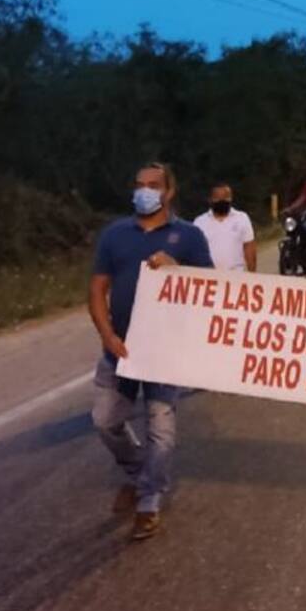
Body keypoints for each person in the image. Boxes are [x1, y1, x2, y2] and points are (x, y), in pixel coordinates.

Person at [89, 163, 213, 541]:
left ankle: (148, 501)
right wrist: (107, 335)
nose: (145, 191)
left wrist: (177, 270)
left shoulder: (189, 236)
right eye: (139, 184)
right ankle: (141, 472)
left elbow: (212, 290)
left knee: (161, 432)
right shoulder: (115, 235)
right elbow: (97, 290)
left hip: (164, 352)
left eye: (154, 185)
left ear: (169, 192)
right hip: (120, 350)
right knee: (105, 420)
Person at [194, 183, 257, 272]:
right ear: (210, 199)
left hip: (236, 277)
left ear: (231, 198)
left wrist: (252, 275)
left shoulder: (242, 218)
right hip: (209, 277)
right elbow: (194, 252)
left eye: (225, 197)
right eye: (217, 198)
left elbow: (249, 248)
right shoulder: (199, 222)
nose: (221, 201)